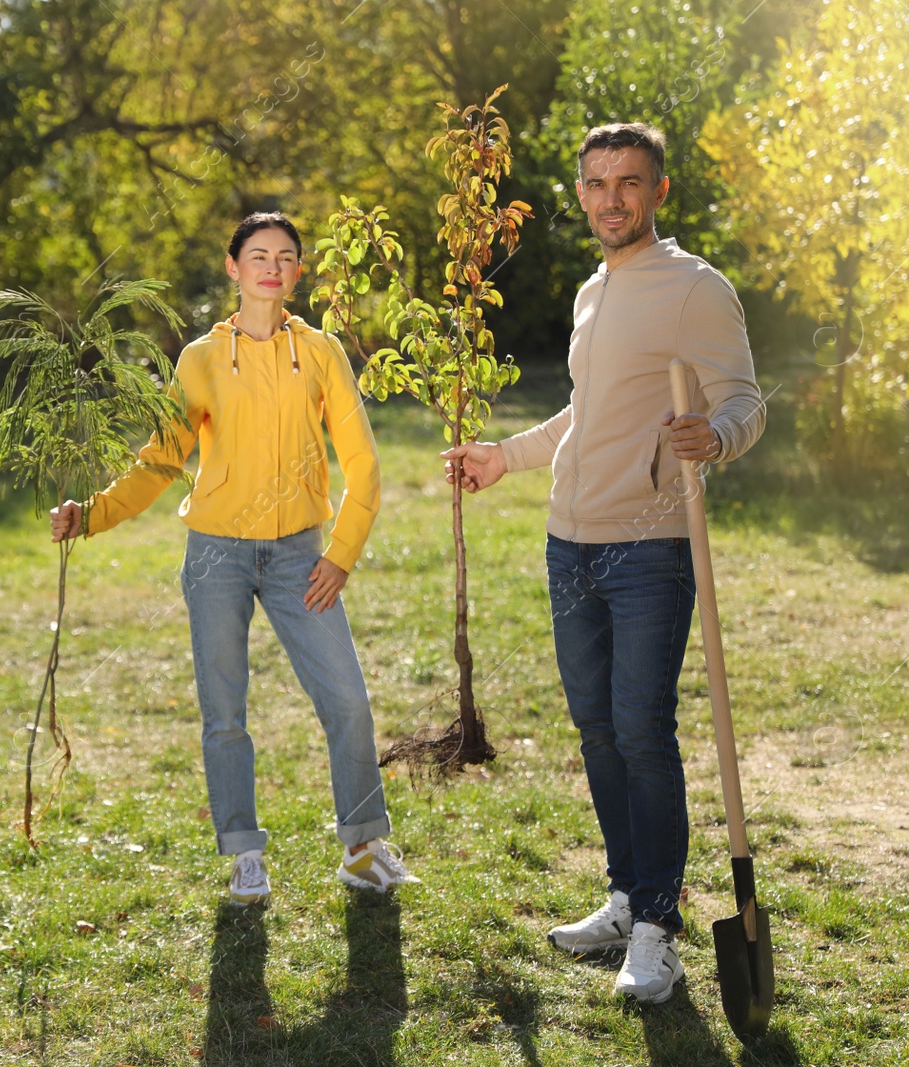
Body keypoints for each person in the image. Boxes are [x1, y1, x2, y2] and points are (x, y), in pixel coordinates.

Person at [444, 123, 765, 1004]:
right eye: (596, 183)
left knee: (641, 728)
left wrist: (719, 434)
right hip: (569, 541)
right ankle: (626, 896)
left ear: (658, 191)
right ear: (580, 191)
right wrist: (504, 455)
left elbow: (743, 400)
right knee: (596, 728)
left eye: (629, 182)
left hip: (650, 545)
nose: (611, 198)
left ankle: (659, 926)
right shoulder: (594, 290)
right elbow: (585, 412)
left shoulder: (696, 289)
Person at [49, 212, 418, 906]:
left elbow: (363, 463)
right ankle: (245, 854)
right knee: (225, 713)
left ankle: (364, 848)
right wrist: (90, 515)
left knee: (347, 698)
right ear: (233, 267)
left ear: (297, 272)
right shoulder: (200, 360)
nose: (271, 267)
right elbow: (159, 461)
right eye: (257, 255)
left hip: (300, 556)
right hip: (216, 555)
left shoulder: (323, 353)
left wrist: (340, 554)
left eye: (284, 257)